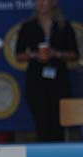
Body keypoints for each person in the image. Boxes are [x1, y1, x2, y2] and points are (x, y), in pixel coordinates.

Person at [15, 0, 79, 142]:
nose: (42, 3)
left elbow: (74, 54)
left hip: (59, 82)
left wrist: (56, 54)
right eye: (39, 0)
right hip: (36, 82)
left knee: (58, 125)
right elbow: (18, 55)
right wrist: (35, 55)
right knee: (41, 124)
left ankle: (58, 152)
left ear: (53, 2)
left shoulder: (64, 26)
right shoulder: (27, 26)